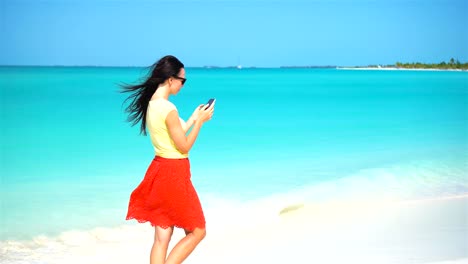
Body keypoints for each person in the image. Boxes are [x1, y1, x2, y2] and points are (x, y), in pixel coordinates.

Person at [121, 55, 214, 264]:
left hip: (158, 170)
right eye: (183, 80)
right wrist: (200, 123)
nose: (183, 85)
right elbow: (184, 145)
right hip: (174, 174)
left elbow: (175, 133)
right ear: (171, 79)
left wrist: (193, 117)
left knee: (161, 239)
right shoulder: (169, 109)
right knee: (198, 231)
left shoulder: (153, 104)